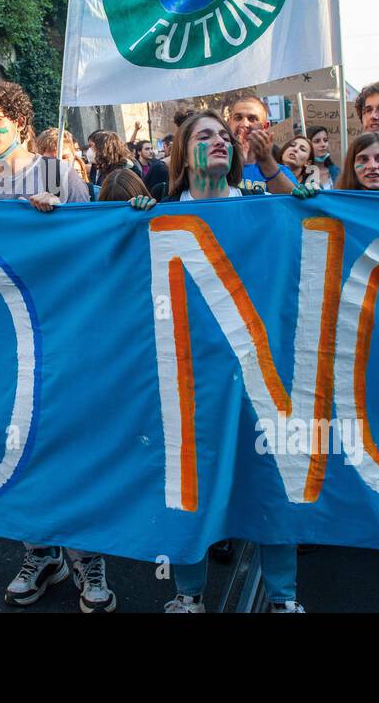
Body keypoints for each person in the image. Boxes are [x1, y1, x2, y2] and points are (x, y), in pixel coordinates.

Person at [147, 111, 310, 613]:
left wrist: (271, 167)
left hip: (259, 373)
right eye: (204, 136)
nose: (219, 141)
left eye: (223, 136)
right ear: (182, 152)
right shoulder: (156, 214)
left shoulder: (260, 204)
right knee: (190, 483)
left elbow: (307, 211)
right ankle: (189, 594)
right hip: (191, 376)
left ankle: (282, 598)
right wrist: (43, 205)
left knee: (270, 479)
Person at [0, 80, 105, 610]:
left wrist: (60, 216)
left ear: (20, 122)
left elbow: (92, 247)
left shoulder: (60, 174)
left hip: (58, 331)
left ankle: (88, 558)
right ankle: (41, 552)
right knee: (12, 445)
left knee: (64, 442)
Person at [225, 95, 297, 193]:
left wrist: (267, 162)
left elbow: (293, 203)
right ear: (229, 122)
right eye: (238, 118)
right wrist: (236, 160)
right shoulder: (216, 164)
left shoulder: (281, 171)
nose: (244, 124)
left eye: (252, 119)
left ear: (265, 126)